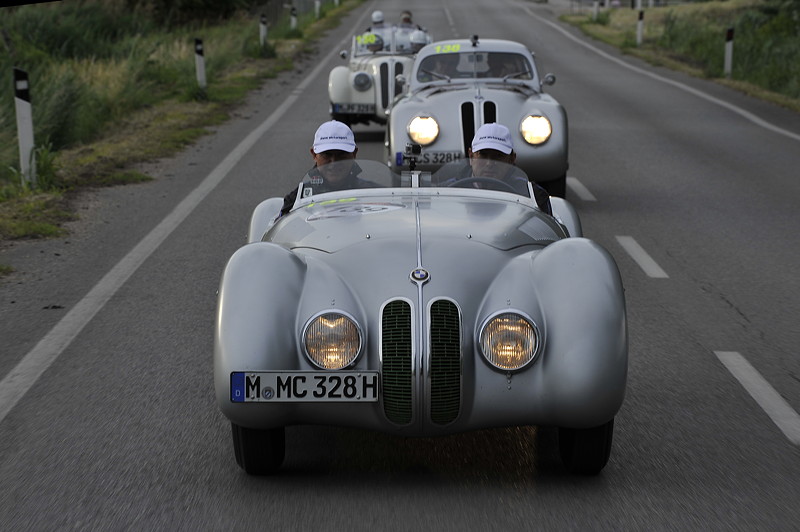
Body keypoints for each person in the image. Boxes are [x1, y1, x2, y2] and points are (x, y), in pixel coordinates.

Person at [444, 123, 552, 214]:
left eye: (498, 156)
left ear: (511, 159)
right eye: (483, 155)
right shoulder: (446, 191)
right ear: (471, 156)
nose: (489, 163)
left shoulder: (534, 196)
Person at [280, 121, 373, 217]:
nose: (334, 162)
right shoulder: (296, 200)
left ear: (354, 153)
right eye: (327, 155)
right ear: (314, 154)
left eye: (341, 155)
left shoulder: (373, 193)